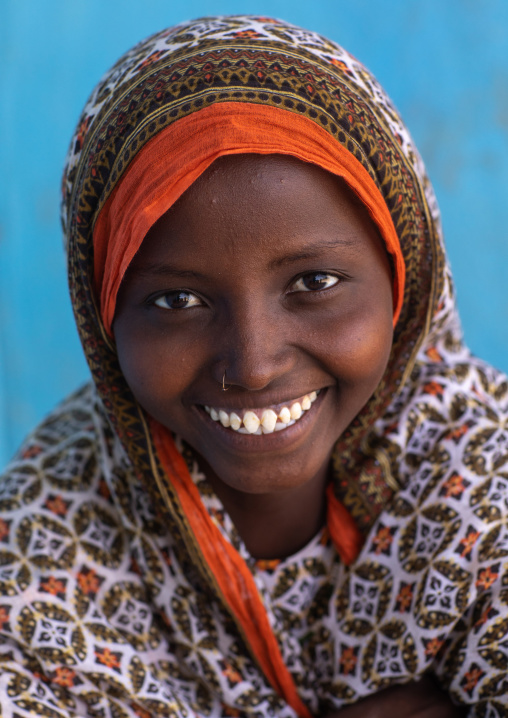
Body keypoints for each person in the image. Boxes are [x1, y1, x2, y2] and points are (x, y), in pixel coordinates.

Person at [0, 14, 505, 718]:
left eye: (315, 283)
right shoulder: (39, 558)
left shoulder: (485, 486)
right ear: (102, 313)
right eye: (177, 299)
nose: (255, 365)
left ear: (404, 275)